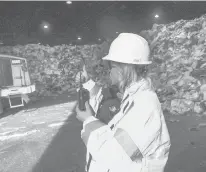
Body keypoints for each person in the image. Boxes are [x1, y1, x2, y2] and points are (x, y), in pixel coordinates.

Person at [75, 33, 171, 172]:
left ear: (123, 69)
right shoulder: (131, 95)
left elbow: (113, 155)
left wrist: (88, 121)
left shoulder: (144, 104)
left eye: (111, 66)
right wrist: (87, 82)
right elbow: (104, 103)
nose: (109, 71)